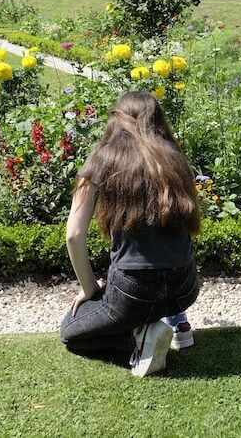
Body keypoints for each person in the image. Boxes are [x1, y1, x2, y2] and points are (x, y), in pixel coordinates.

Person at [60, 91, 201, 376]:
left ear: (116, 120)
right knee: (159, 270)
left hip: (132, 293)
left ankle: (137, 338)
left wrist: (90, 290)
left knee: (70, 330)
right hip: (185, 288)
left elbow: (74, 234)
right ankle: (174, 320)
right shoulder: (174, 157)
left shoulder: (102, 158)